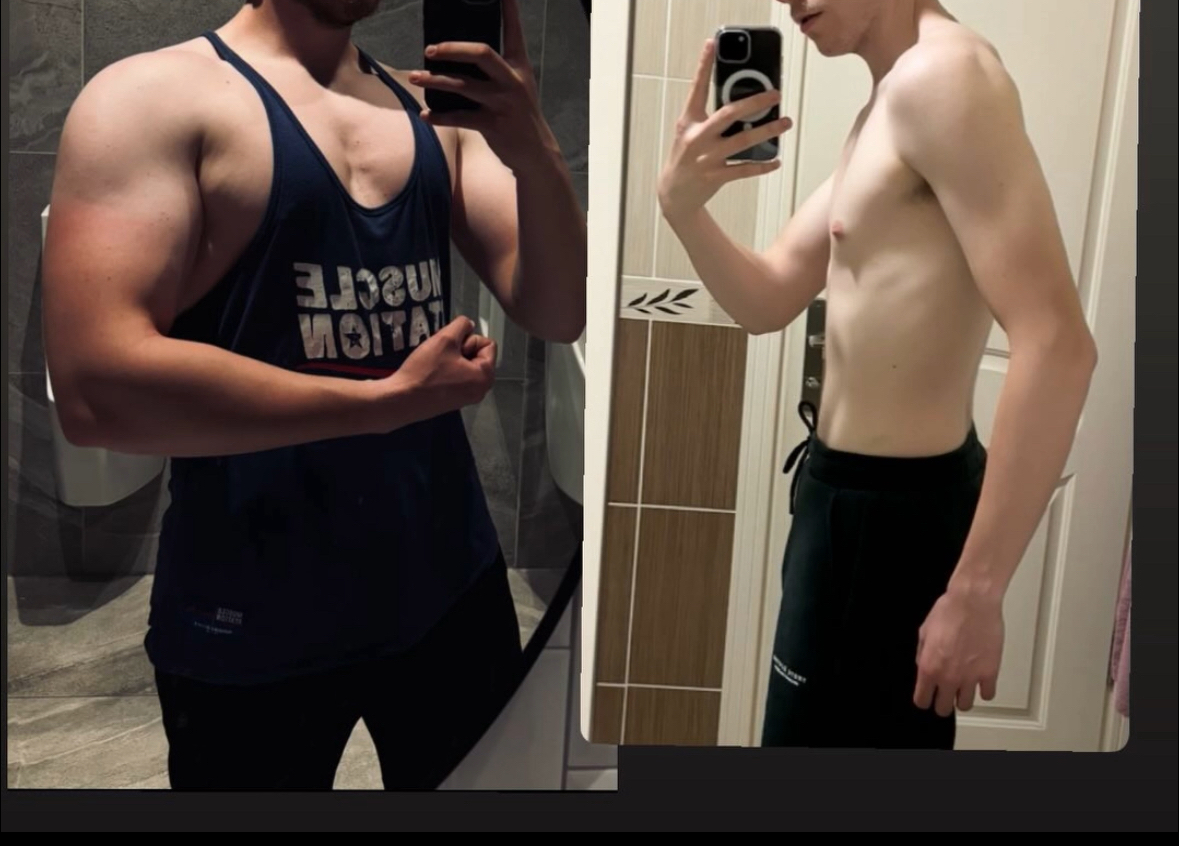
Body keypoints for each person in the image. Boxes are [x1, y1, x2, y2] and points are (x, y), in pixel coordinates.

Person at [41, 0, 586, 789]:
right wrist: (383, 403)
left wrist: (535, 148)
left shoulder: (436, 113)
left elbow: (559, 311)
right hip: (249, 616)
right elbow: (98, 393)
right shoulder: (147, 100)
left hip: (447, 595)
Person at [657, 0, 1097, 750]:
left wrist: (976, 593)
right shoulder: (890, 99)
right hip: (841, 501)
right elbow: (768, 298)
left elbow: (1057, 344)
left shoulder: (944, 78)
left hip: (891, 522)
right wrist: (682, 209)